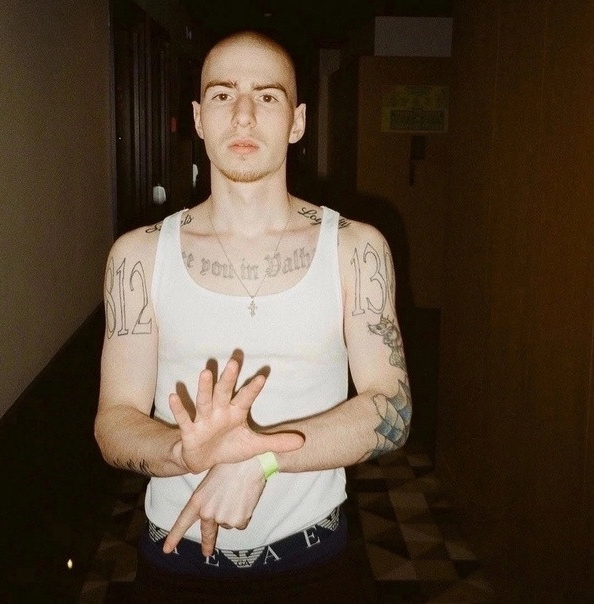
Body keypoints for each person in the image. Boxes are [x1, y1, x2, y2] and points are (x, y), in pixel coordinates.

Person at [94, 30, 412, 603]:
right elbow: (114, 421)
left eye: (267, 96)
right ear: (198, 118)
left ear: (297, 122)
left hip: (315, 560)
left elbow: (393, 404)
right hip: (176, 558)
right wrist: (184, 453)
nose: (243, 115)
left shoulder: (355, 249)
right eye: (223, 95)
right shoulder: (138, 257)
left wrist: (258, 460)